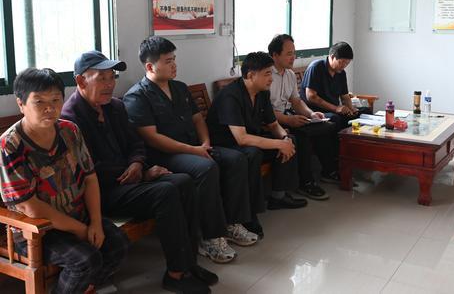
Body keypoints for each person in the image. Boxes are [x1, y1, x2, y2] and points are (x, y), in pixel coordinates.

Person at [61, 51, 217, 293]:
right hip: (101, 192)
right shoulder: (71, 119)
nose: (110, 84)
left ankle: (189, 263)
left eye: (111, 77)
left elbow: (136, 143)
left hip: (129, 181)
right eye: (101, 78)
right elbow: (90, 168)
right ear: (81, 81)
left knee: (184, 182)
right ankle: (176, 274)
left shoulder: (114, 106)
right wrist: (141, 173)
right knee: (165, 192)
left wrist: (137, 163)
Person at [123, 36, 258, 265]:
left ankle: (231, 223)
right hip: (166, 155)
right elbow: (152, 138)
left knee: (235, 159)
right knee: (206, 168)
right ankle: (209, 236)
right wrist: (194, 150)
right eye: (168, 61)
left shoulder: (180, 88)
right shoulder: (137, 96)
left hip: (194, 147)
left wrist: (204, 143)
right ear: (150, 67)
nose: (174, 65)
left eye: (174, 59)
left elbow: (197, 119)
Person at [0, 68, 129, 294]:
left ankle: (85, 288)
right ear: (21, 104)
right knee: (85, 260)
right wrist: (81, 230)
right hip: (37, 231)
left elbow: (90, 177)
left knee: (119, 244)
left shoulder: (69, 130)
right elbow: (29, 207)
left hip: (78, 216)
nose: (49, 108)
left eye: (55, 100)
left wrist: (95, 222)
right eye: (39, 101)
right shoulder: (9, 145)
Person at [206, 51, 307, 224]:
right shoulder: (231, 96)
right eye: (267, 74)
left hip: (250, 140)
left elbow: (273, 124)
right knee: (253, 154)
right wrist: (278, 143)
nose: (271, 79)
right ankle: (249, 213)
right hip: (226, 145)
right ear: (251, 75)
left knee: (290, 140)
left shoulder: (262, 93)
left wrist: (284, 138)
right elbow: (241, 139)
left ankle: (278, 196)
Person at [268, 34, 339, 197]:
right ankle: (305, 182)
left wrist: (311, 114)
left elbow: (296, 101)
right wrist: (288, 120)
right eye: (289, 54)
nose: (293, 57)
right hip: (272, 121)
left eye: (294, 53)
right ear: (275, 55)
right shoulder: (266, 75)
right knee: (302, 135)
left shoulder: (290, 74)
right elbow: (263, 111)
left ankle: (328, 171)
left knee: (324, 125)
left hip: (287, 115)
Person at [300, 41, 366, 132]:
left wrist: (351, 109)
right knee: (335, 119)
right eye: (341, 62)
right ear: (332, 57)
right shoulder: (316, 67)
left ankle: (357, 140)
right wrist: (336, 108)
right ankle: (342, 141)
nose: (344, 66)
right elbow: (311, 97)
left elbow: (345, 97)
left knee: (364, 112)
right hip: (315, 111)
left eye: (347, 63)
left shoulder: (341, 73)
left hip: (334, 110)